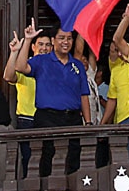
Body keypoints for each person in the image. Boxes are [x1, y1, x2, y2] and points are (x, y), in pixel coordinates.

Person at [15, 20, 90, 176]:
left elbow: (84, 95)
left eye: (69, 38)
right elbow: (20, 67)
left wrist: (88, 123)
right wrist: (28, 40)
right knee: (46, 160)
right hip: (47, 118)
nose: (66, 42)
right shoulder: (41, 61)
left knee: (73, 160)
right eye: (61, 38)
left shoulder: (77, 65)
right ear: (53, 41)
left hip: (73, 118)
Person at [4, 29, 51, 175]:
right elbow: (8, 76)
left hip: (50, 119)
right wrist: (14, 53)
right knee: (30, 162)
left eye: (48, 45)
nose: (44, 48)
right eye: (41, 44)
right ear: (33, 47)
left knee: (50, 161)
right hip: (28, 120)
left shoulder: (55, 68)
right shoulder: (26, 65)